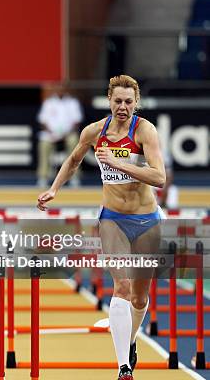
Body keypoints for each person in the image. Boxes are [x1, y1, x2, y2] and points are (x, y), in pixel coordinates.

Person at [37, 75, 166, 380]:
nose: (123, 107)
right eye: (118, 101)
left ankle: (131, 341)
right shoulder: (95, 132)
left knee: (139, 297)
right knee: (121, 287)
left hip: (147, 220)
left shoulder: (144, 130)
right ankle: (124, 367)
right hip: (112, 219)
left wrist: (119, 163)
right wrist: (55, 188)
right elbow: (72, 160)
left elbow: (159, 177)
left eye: (129, 102)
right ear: (109, 100)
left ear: (136, 103)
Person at [36, 83, 83, 188]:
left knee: (74, 142)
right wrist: (52, 133)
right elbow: (43, 121)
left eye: (63, 88)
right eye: (58, 88)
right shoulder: (48, 102)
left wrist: (66, 134)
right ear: (55, 89)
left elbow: (76, 121)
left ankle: (74, 177)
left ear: (66, 89)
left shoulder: (73, 102)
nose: (60, 90)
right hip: (51, 133)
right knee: (44, 144)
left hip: (68, 133)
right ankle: (43, 176)